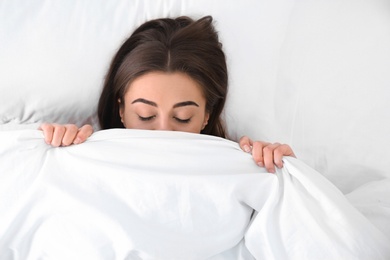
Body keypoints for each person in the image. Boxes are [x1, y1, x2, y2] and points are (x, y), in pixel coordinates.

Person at [39, 15, 295, 173]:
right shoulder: (89, 155)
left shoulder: (237, 164)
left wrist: (278, 168)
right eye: (145, 115)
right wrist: (59, 147)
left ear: (207, 115)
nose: (163, 132)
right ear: (121, 110)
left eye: (183, 118)